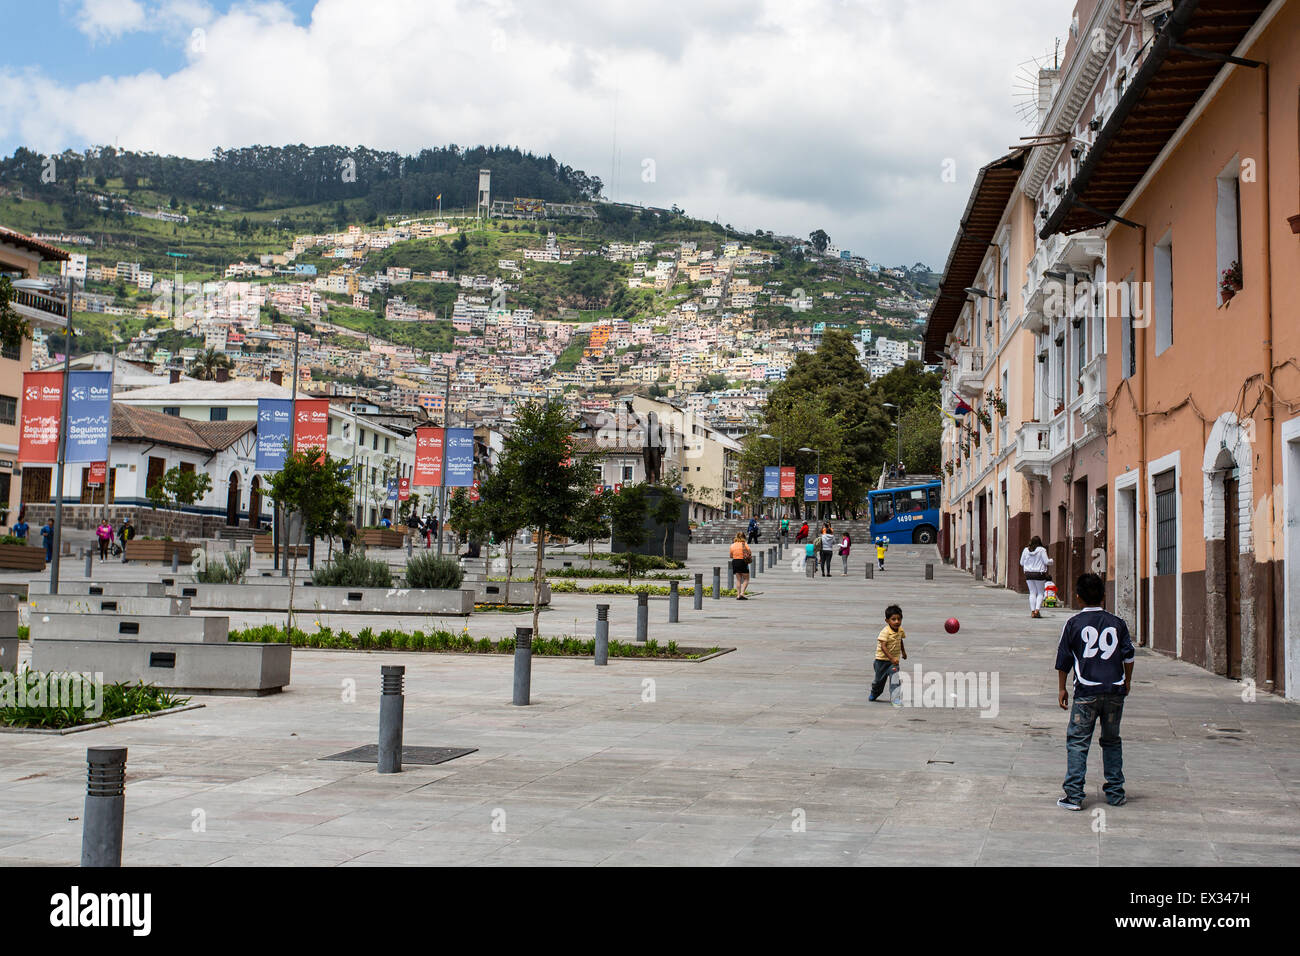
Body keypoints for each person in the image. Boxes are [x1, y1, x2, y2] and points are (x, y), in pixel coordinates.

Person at [1055, 573, 1136, 811]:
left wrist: (1061, 688)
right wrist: (1127, 681)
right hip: (1114, 690)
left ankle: (1074, 795)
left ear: (1078, 598)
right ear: (1103, 596)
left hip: (1086, 692)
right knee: (1111, 741)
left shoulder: (1073, 624)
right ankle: (1115, 792)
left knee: (1078, 742)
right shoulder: (1117, 623)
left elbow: (1064, 660)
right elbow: (1129, 656)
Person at [869, 604, 907, 701]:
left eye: (899, 619)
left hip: (893, 662)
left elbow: (900, 640)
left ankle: (895, 697)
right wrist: (891, 658)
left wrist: (903, 652)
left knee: (895, 679)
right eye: (893, 619)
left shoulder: (900, 630)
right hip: (881, 661)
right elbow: (883, 647)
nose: (897, 622)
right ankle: (875, 693)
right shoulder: (885, 632)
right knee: (878, 681)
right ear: (887, 621)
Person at [1021, 535, 1053, 618]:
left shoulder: (1025, 550)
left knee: (1032, 592)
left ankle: (1032, 611)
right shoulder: (1042, 550)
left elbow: (1021, 563)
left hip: (1028, 574)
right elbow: (1046, 561)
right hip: (1039, 574)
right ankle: (1037, 610)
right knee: (1040, 593)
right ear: (1040, 542)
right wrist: (1051, 561)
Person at [729, 532, 752, 600]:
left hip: (735, 562)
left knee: (738, 579)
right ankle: (742, 593)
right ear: (744, 537)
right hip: (743, 562)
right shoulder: (745, 544)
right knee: (746, 579)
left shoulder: (732, 545)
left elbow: (731, 556)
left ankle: (738, 595)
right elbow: (749, 553)